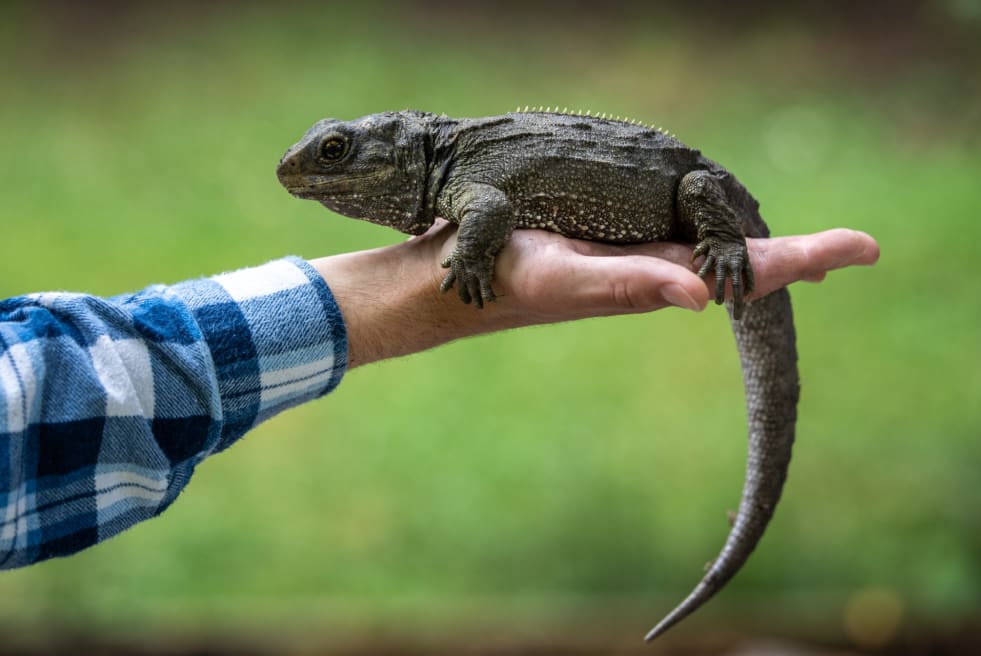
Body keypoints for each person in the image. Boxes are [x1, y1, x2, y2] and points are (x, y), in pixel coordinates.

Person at [0, 220, 879, 569]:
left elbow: (50, 401)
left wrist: (442, 268)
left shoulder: (472, 185)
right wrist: (431, 273)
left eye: (342, 157)